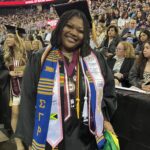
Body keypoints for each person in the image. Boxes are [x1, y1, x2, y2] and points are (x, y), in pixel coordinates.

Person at [15, 1, 117, 150]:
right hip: (50, 139)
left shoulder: (95, 59)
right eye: (69, 26)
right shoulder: (40, 58)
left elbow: (108, 91)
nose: (74, 33)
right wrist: (31, 140)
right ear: (60, 26)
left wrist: (105, 118)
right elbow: (28, 99)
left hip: (87, 138)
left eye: (81, 30)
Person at [0, 25, 27, 143]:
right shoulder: (5, 55)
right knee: (15, 112)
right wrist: (8, 73)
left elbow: (33, 68)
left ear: (16, 38)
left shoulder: (26, 53)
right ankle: (18, 142)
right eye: (7, 37)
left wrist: (24, 72)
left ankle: (28, 138)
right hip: (13, 88)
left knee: (27, 112)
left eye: (10, 37)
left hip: (26, 85)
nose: (8, 39)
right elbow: (2, 71)